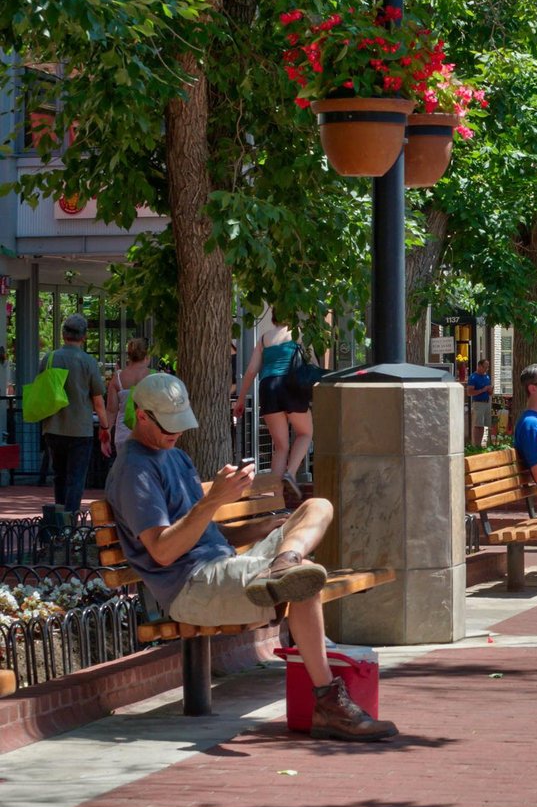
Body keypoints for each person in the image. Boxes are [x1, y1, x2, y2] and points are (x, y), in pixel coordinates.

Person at [106, 373, 396, 742]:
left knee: (316, 506)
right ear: (141, 415)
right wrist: (213, 500)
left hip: (219, 566)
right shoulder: (135, 469)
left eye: (179, 424)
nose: (175, 433)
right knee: (304, 580)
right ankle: (328, 703)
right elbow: (163, 551)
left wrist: (264, 530)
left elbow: (205, 535)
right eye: (167, 425)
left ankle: (284, 560)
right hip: (191, 587)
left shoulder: (175, 456)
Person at [233, 308, 312, 499]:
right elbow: (311, 366)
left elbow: (251, 370)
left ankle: (276, 502)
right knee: (306, 432)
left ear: (273, 317)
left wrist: (241, 399)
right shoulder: (298, 334)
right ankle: (290, 473)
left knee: (280, 446)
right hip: (290, 385)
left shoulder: (263, 339)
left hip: (268, 388)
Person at [41, 314, 108, 515]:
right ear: (84, 336)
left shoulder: (49, 358)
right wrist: (105, 427)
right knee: (76, 478)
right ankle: (71, 523)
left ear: (63, 334)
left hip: (53, 427)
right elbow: (98, 401)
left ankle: (59, 522)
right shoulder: (88, 362)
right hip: (80, 430)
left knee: (59, 476)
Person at [105, 337, 151, 454]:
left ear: (129, 356)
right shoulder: (154, 377)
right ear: (147, 355)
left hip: (123, 433)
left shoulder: (118, 379)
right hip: (148, 432)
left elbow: (111, 411)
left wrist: (107, 432)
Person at [466, 358, 492, 447]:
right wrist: (482, 390)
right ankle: (476, 445)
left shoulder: (487, 377)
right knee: (478, 425)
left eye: (487, 367)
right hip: (478, 402)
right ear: (479, 366)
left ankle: (485, 444)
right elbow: (469, 392)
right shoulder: (473, 377)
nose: (486, 369)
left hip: (487, 402)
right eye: (485, 367)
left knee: (487, 424)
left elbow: (489, 392)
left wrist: (490, 390)